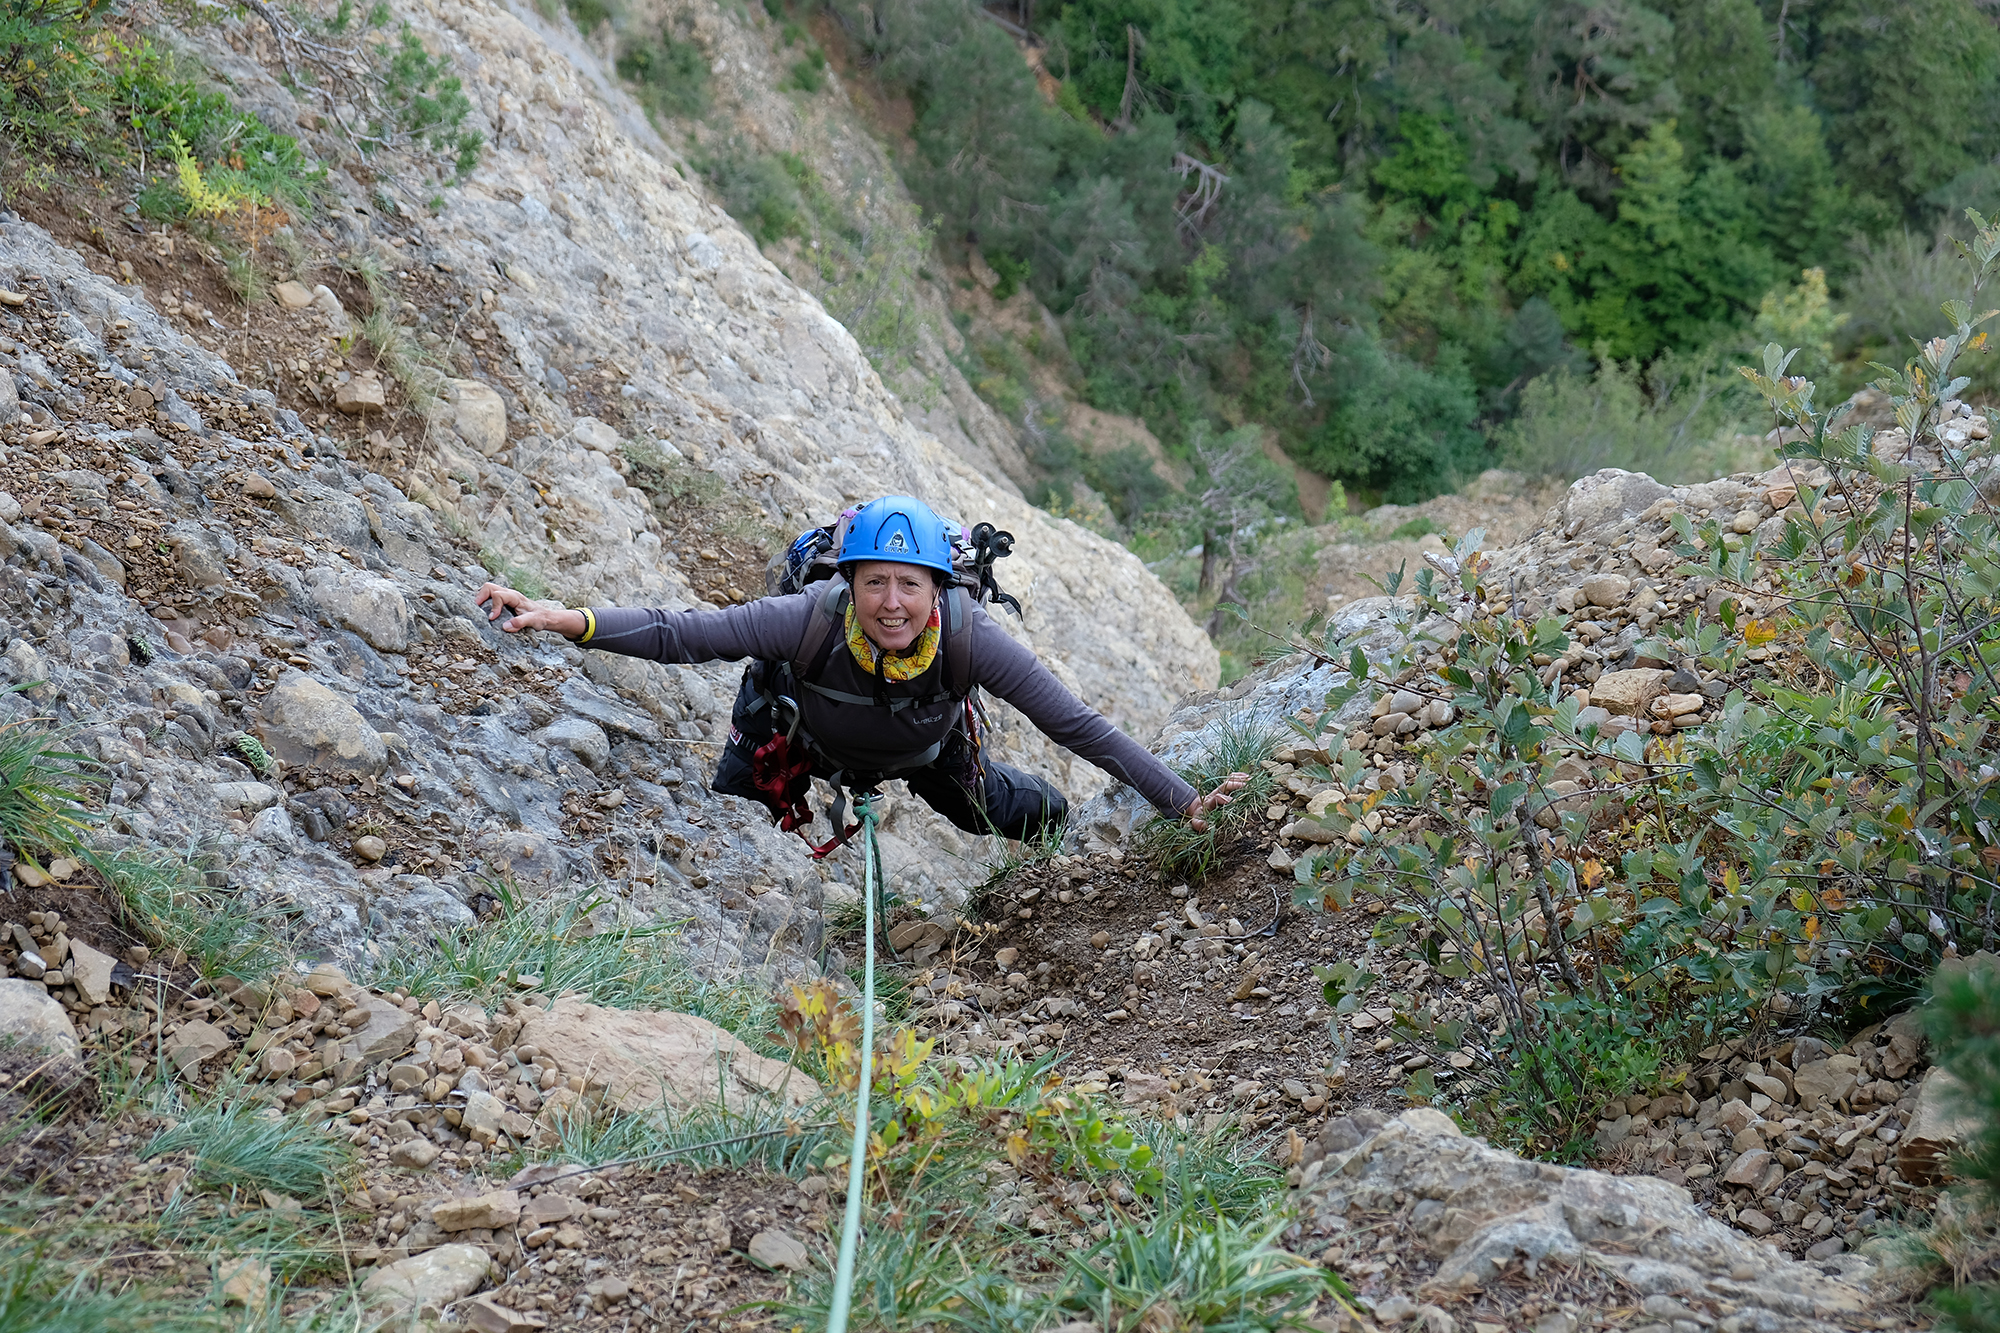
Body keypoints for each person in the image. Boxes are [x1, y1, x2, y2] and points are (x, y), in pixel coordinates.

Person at [475, 495, 1243, 849]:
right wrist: (567, 618)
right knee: (734, 829)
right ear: (849, 581)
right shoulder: (809, 617)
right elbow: (685, 633)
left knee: (1008, 812)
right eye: (875, 581)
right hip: (800, 742)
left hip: (927, 751)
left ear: (939, 588)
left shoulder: (969, 639)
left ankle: (1060, 832)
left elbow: (1074, 723)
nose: (892, 602)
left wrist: (1182, 799)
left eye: (910, 584)